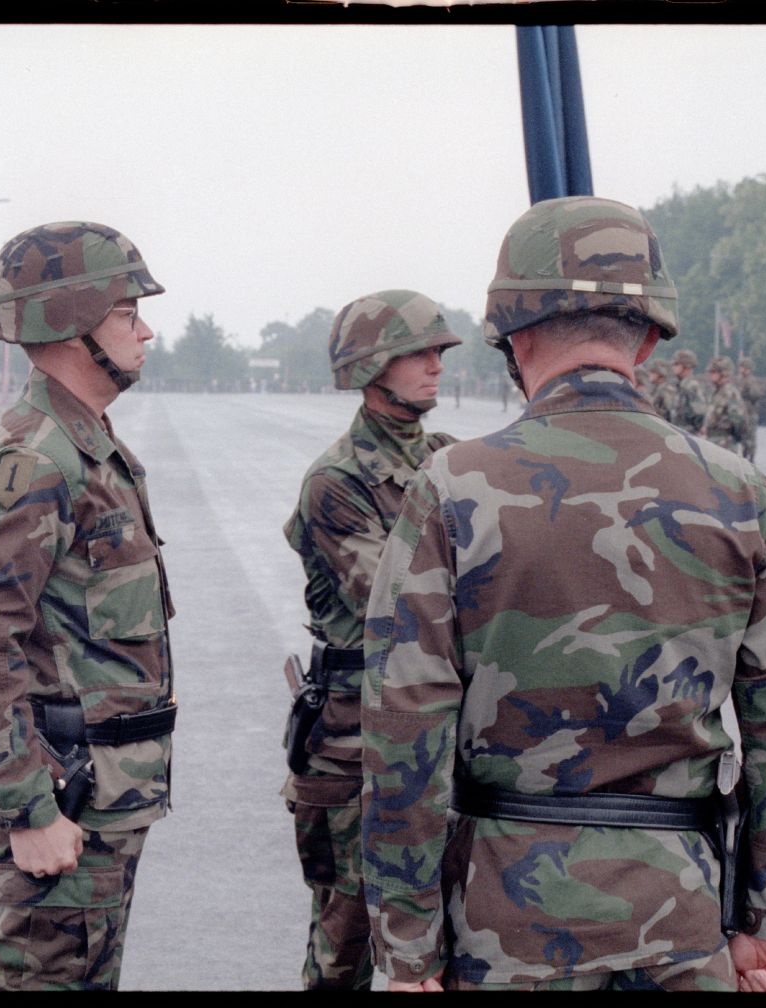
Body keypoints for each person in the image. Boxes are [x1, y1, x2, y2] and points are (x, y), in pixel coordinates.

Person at [359, 196, 766, 992]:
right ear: (648, 337)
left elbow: (405, 725)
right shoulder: (741, 491)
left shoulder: (452, 487)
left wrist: (406, 949)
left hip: (506, 920)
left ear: (516, 336)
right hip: (679, 917)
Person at [0, 221, 177, 990]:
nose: (146, 329)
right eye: (126, 313)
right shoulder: (39, 458)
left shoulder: (85, 444)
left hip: (100, 798)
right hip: (68, 801)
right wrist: (28, 809)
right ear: (72, 321)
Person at [281, 289, 463, 989]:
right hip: (355, 743)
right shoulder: (337, 481)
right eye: (418, 352)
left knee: (452, 935)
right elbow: (397, 600)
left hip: (442, 730)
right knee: (344, 947)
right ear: (371, 365)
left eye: (439, 351)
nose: (435, 365)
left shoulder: (451, 459)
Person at [699, 354, 747, 455]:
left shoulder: (730, 393)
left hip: (725, 444)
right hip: (712, 441)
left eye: (714, 372)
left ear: (724, 373)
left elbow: (738, 422)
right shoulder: (716, 392)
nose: (710, 375)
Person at [669, 347, 709, 434]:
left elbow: (700, 413)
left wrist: (692, 431)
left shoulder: (692, 386)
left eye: (676, 364)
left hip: (688, 435)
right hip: (679, 433)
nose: (673, 367)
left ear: (686, 366)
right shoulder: (681, 385)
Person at [736, 357, 761, 461]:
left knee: (750, 437)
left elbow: (756, 395)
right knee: (744, 437)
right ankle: (745, 456)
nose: (741, 369)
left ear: (748, 369)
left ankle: (750, 458)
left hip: (750, 413)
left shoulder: (751, 381)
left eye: (743, 367)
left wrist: (748, 390)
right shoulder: (741, 380)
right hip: (743, 412)